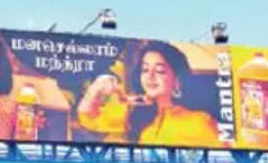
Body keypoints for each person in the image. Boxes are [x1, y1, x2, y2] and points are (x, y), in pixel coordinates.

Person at [78, 40, 219, 146]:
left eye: (159, 71)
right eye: (145, 70)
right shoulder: (134, 112)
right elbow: (87, 117)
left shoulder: (199, 122)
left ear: (177, 79)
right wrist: (96, 87)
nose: (150, 76)